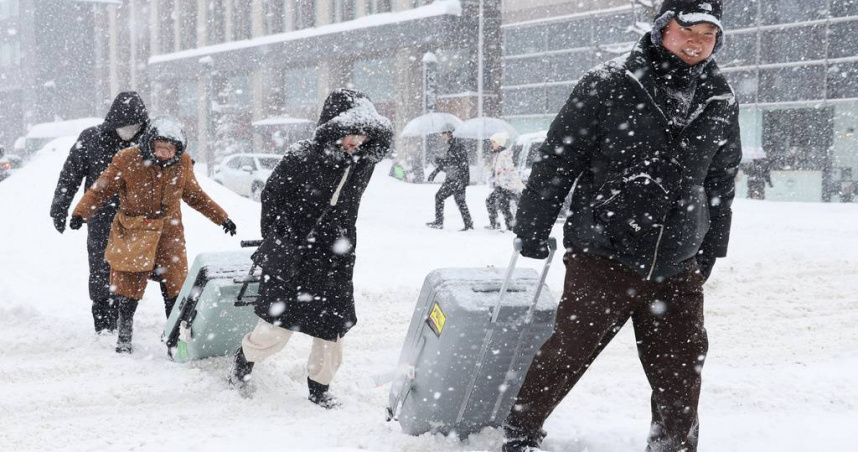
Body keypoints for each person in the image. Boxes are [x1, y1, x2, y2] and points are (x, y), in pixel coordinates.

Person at [503, 1, 741, 451]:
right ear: (661, 28)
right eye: (688, 30)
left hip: (677, 259)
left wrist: (713, 245)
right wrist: (532, 226)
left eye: (709, 34)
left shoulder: (720, 96)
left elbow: (720, 179)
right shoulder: (609, 83)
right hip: (603, 251)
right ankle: (520, 433)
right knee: (569, 352)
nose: (697, 42)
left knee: (682, 366)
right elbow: (559, 158)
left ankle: (672, 446)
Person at [228, 89, 393, 408]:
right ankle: (242, 363)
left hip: (336, 257)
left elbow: (348, 206)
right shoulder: (301, 156)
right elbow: (271, 197)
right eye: (349, 133)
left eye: (362, 134)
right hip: (295, 254)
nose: (355, 141)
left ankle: (320, 388)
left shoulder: (363, 163)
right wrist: (279, 237)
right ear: (332, 127)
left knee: (332, 332)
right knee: (275, 330)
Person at [69, 116, 237, 353]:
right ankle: (124, 336)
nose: (165, 154)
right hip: (134, 231)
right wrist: (80, 213)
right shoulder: (127, 159)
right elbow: (101, 189)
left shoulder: (183, 163)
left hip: (170, 235)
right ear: (149, 143)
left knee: (176, 288)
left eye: (170, 149)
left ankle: (173, 338)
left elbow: (195, 195)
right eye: (160, 148)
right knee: (129, 286)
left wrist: (222, 218)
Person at [50, 91, 149, 334]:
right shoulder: (92, 138)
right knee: (101, 266)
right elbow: (70, 175)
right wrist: (60, 208)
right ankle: (103, 318)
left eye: (135, 125)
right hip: (101, 214)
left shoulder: (148, 140)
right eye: (124, 125)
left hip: (136, 217)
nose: (130, 130)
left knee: (130, 267)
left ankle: (124, 315)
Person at [426, 124, 473, 231]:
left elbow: (454, 164)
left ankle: (439, 222)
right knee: (460, 201)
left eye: (444, 134)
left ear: (449, 133)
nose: (443, 136)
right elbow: (451, 164)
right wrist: (436, 171)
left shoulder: (457, 146)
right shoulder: (455, 146)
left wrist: (439, 164)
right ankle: (468, 223)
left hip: (455, 179)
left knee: (439, 197)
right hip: (457, 179)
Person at [485, 131, 523, 231]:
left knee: (496, 204)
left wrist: (514, 185)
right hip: (501, 185)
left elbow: (511, 171)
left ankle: (503, 225)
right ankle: (505, 225)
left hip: (505, 186)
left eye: (494, 142)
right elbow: (497, 170)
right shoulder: (498, 154)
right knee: (501, 205)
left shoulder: (504, 155)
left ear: (499, 143)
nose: (492, 144)